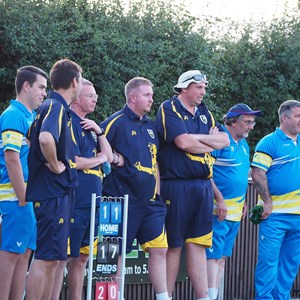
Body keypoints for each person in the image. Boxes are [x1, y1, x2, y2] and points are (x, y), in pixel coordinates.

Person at [155, 70, 229, 300]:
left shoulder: (204, 111)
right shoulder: (169, 107)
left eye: (205, 87)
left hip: (203, 186)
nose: (203, 92)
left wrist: (195, 138)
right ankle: (165, 297)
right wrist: (205, 139)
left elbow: (224, 141)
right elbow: (182, 142)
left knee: (198, 244)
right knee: (174, 245)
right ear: (185, 87)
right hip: (176, 185)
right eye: (199, 87)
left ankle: (204, 297)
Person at [101, 77, 169, 300]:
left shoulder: (151, 126)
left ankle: (163, 297)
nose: (152, 99)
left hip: (150, 203)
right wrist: (116, 158)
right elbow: (97, 152)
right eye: (147, 95)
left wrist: (157, 192)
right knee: (112, 255)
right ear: (133, 97)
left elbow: (155, 160)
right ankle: (112, 297)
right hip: (118, 202)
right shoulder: (115, 122)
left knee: (160, 249)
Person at [24, 58, 83, 300]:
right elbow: (45, 138)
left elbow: (29, 139)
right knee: (46, 258)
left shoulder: (50, 106)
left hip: (54, 193)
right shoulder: (56, 106)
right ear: (74, 82)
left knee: (55, 258)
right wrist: (54, 165)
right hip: (52, 192)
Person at [51, 78, 113, 300]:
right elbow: (73, 161)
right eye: (90, 95)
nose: (95, 99)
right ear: (76, 98)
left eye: (96, 95)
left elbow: (110, 158)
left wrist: (100, 132)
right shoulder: (69, 123)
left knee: (82, 258)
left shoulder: (91, 127)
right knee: (62, 258)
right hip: (75, 201)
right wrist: (98, 160)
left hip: (94, 202)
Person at [206, 103, 262, 300]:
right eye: (247, 122)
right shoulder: (219, 139)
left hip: (236, 211)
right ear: (233, 121)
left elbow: (238, 175)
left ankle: (215, 296)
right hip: (217, 211)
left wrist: (245, 200)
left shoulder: (244, 145)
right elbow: (205, 172)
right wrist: (219, 200)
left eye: (252, 122)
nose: (251, 126)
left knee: (221, 257)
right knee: (211, 257)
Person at [0, 66, 47, 300]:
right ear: (26, 86)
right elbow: (11, 157)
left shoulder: (30, 117)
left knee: (23, 255)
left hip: (27, 198)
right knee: (9, 256)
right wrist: (22, 196)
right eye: (41, 87)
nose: (44, 93)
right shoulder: (14, 114)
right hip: (15, 198)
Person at [251, 100, 300, 299]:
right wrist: (267, 202)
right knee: (268, 262)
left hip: (298, 217)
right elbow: (257, 173)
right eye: (298, 116)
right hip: (275, 216)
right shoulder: (269, 141)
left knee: (290, 264)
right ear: (284, 117)